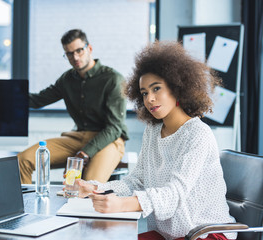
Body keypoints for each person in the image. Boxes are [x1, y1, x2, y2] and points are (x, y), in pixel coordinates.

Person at [77, 41, 237, 240]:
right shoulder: (153, 130)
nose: (149, 99)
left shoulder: (198, 134)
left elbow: (175, 193)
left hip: (205, 233)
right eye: (144, 93)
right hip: (169, 234)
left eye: (156, 89)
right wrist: (96, 188)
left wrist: (124, 204)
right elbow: (138, 180)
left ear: (177, 88)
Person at [18, 29, 129, 184]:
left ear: (89, 49)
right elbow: (36, 101)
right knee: (22, 160)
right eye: (69, 53)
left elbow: (114, 128)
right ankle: (29, 206)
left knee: (87, 185)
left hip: (109, 139)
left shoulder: (113, 79)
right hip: (78, 137)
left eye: (79, 51)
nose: (75, 57)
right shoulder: (67, 79)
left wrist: (83, 154)